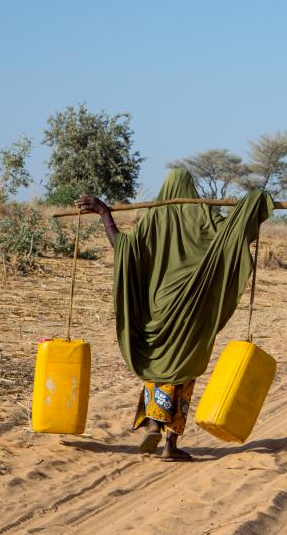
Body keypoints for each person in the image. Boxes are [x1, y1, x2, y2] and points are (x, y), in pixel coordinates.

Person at [76, 169, 272, 461]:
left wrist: (105, 213)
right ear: (191, 190)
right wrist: (253, 203)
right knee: (183, 370)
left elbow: (123, 247)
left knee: (158, 364)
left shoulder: (154, 217)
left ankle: (154, 420)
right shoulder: (205, 215)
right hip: (190, 308)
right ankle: (170, 444)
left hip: (158, 306)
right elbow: (229, 240)